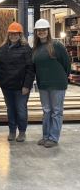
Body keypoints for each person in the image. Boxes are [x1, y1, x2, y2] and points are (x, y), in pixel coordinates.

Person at [0, 22, 35, 142]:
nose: (13, 36)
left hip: (20, 86)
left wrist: (27, 85)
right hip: (6, 86)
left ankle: (22, 132)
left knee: (21, 109)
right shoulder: (3, 48)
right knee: (10, 109)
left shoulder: (26, 49)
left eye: (16, 34)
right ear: (8, 35)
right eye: (11, 34)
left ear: (20, 35)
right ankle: (12, 131)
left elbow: (30, 69)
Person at [33, 19, 71, 148]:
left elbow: (67, 64)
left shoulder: (56, 45)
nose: (42, 32)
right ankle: (46, 136)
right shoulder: (36, 48)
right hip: (43, 84)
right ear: (36, 32)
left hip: (57, 83)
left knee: (56, 111)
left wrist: (61, 79)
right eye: (39, 30)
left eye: (44, 29)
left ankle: (53, 138)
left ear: (48, 31)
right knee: (47, 111)